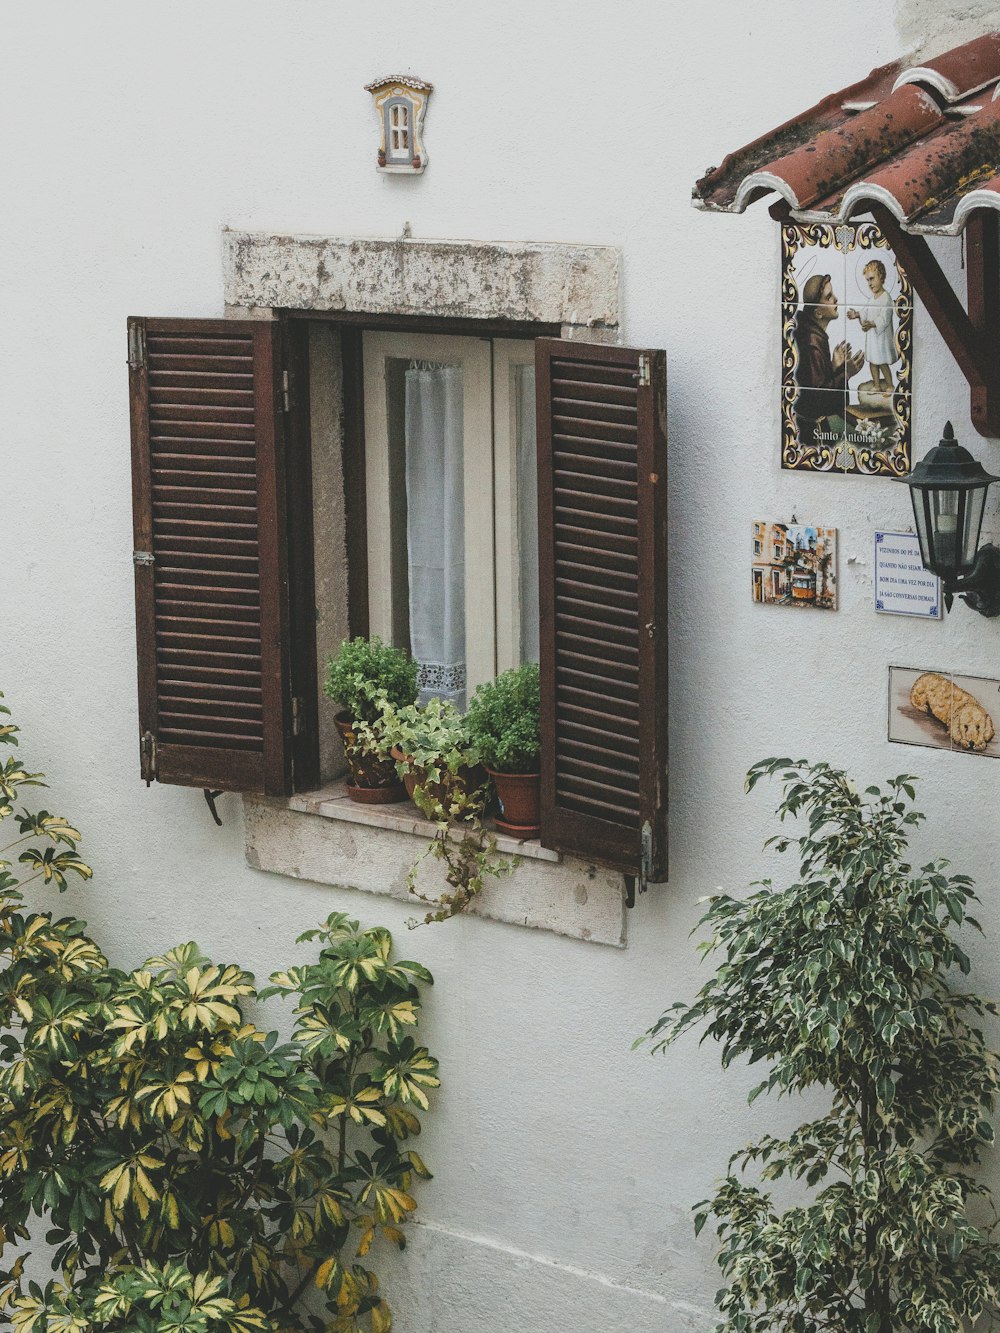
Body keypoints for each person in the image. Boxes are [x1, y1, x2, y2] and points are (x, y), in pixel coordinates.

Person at [793, 273, 865, 448]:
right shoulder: (812, 342)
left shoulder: (814, 334)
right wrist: (845, 373)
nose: (836, 299)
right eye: (828, 297)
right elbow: (818, 401)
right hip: (813, 434)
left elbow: (816, 384)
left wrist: (834, 367)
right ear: (818, 312)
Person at [846, 260, 898, 391]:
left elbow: (884, 318)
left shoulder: (886, 298)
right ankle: (876, 385)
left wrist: (873, 324)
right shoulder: (872, 299)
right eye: (867, 280)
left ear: (881, 277)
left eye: (872, 279)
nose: (869, 283)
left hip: (882, 340)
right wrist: (857, 314)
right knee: (873, 363)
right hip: (873, 339)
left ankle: (890, 385)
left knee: (882, 363)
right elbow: (866, 311)